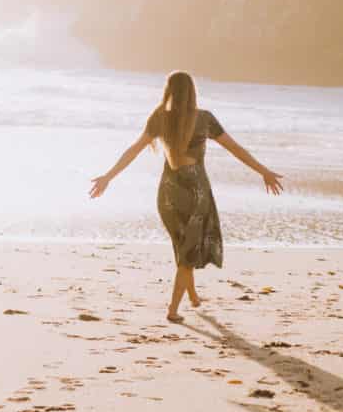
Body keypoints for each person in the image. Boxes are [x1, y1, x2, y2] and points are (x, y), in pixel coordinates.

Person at [88, 71, 284, 321]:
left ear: (169, 90)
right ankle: (172, 310)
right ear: (192, 91)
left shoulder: (160, 118)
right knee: (187, 253)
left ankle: (192, 296)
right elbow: (235, 149)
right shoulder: (204, 119)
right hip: (196, 190)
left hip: (168, 192)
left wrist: (108, 177)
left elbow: (134, 150)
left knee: (184, 248)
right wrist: (263, 171)